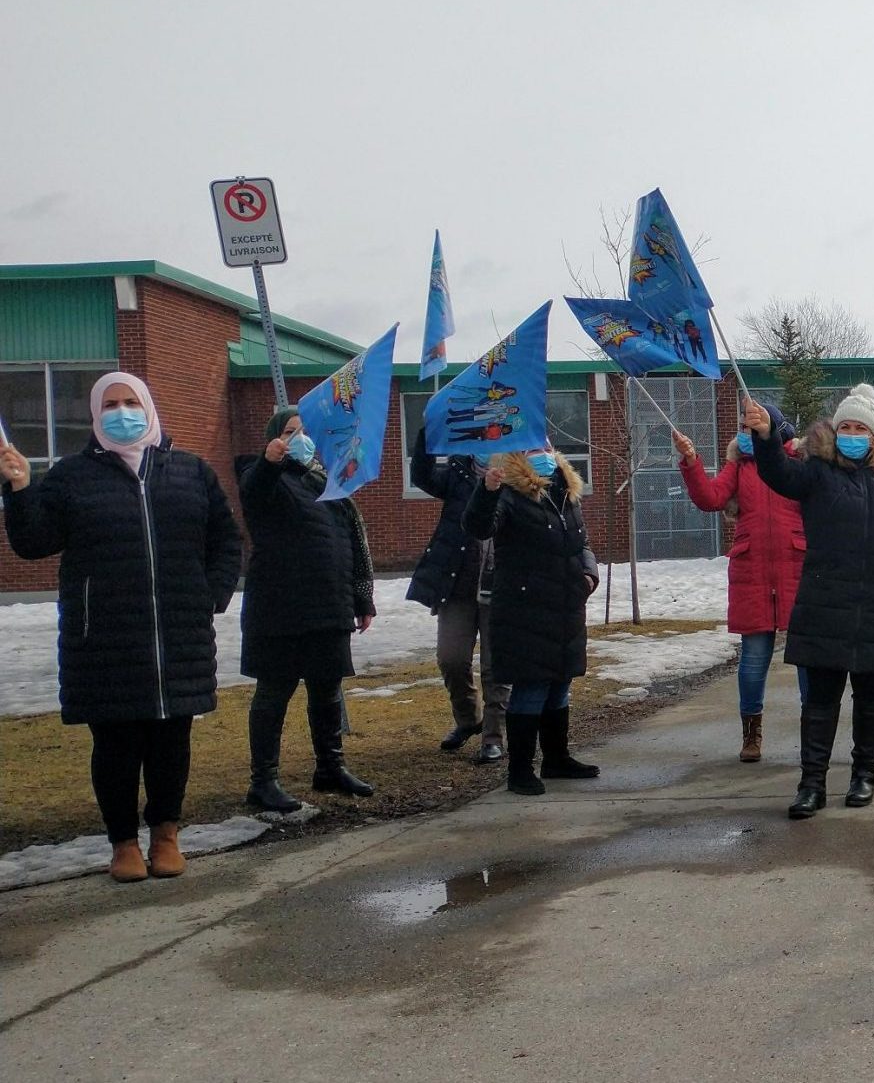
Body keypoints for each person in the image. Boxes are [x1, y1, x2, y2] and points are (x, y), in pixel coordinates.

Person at [0, 373, 241, 882]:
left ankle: (167, 835)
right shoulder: (71, 476)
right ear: (95, 414)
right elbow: (33, 542)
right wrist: (19, 488)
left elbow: (226, 539)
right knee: (115, 745)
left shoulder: (191, 472)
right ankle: (124, 844)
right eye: (110, 403)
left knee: (172, 740)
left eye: (131, 401)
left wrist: (210, 595)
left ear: (149, 407)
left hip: (178, 635)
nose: (122, 410)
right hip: (103, 639)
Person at [748, 384, 874, 819]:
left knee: (871, 697)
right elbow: (777, 474)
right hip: (825, 603)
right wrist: (765, 436)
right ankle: (811, 784)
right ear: (835, 431)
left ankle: (864, 775)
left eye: (860, 428)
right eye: (845, 426)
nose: (852, 433)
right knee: (820, 701)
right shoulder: (816, 472)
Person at [237, 409, 378, 813]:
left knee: (327, 690)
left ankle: (330, 768)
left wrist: (362, 598)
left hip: (328, 605)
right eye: (289, 431)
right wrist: (270, 460)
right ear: (272, 438)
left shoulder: (329, 484)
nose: (299, 437)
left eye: (304, 431)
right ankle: (263, 781)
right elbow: (254, 491)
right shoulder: (263, 477)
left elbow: (349, 544)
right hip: (279, 610)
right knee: (274, 694)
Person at [465, 445, 601, 797]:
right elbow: (480, 527)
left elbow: (581, 542)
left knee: (559, 682)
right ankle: (520, 769)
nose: (544, 453)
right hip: (525, 608)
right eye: (534, 448)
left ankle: (556, 758)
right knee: (532, 685)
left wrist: (588, 575)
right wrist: (486, 491)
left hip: (565, 603)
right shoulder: (509, 493)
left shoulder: (565, 491)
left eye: (547, 446)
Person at [675, 405, 808, 763]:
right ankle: (751, 733)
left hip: (797, 568)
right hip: (752, 572)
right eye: (744, 425)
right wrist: (690, 461)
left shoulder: (798, 459)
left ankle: (814, 729)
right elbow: (710, 498)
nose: (747, 430)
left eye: (756, 423)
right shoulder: (740, 464)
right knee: (753, 660)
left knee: (808, 658)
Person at [408, 431, 509, 764]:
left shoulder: (518, 477)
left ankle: (494, 737)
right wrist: (427, 434)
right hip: (458, 584)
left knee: (496, 667)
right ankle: (469, 720)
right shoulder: (457, 473)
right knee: (451, 658)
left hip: (501, 587)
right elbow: (422, 476)